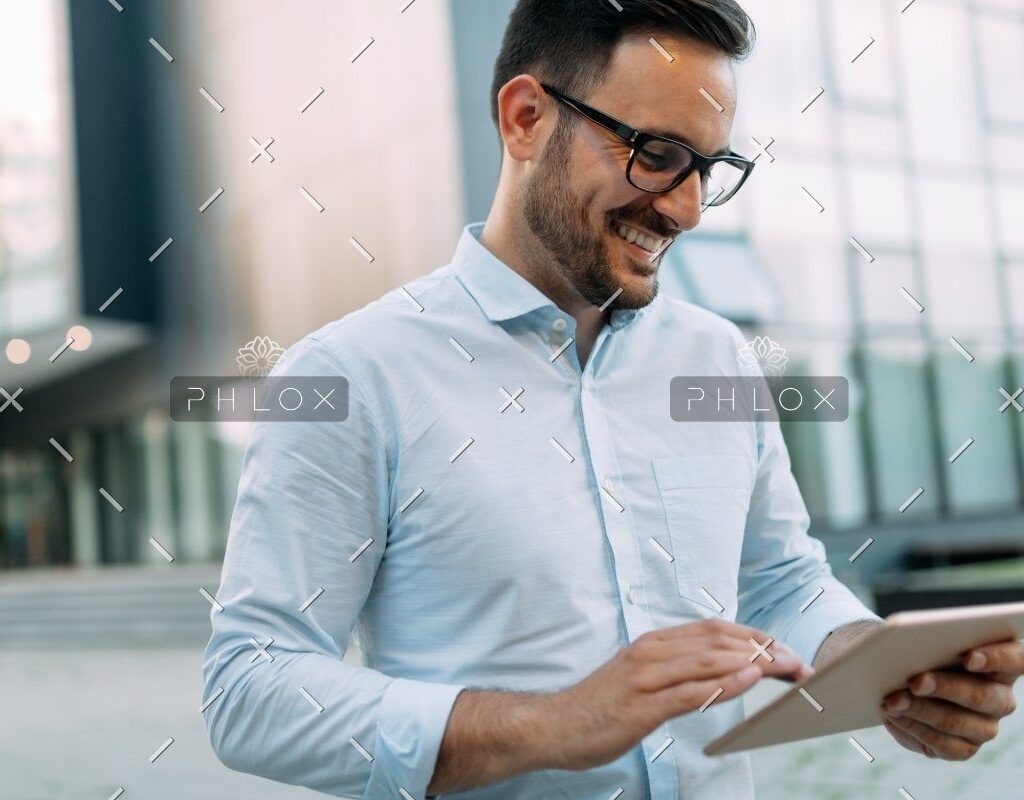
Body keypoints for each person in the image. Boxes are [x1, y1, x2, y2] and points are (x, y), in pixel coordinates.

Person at [202, 1, 1024, 797]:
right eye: (657, 154)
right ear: (526, 118)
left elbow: (776, 577)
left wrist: (886, 669)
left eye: (709, 169)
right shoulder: (351, 375)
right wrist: (553, 724)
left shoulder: (717, 359)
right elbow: (251, 688)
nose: (688, 209)